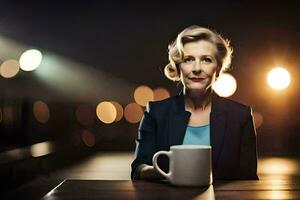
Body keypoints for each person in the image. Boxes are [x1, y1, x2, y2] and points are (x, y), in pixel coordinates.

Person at [131, 25, 258, 181]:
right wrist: (163, 173)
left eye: (206, 60)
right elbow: (138, 168)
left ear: (217, 69)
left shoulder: (241, 116)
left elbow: (249, 178)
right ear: (178, 68)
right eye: (188, 59)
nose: (197, 68)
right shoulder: (156, 113)